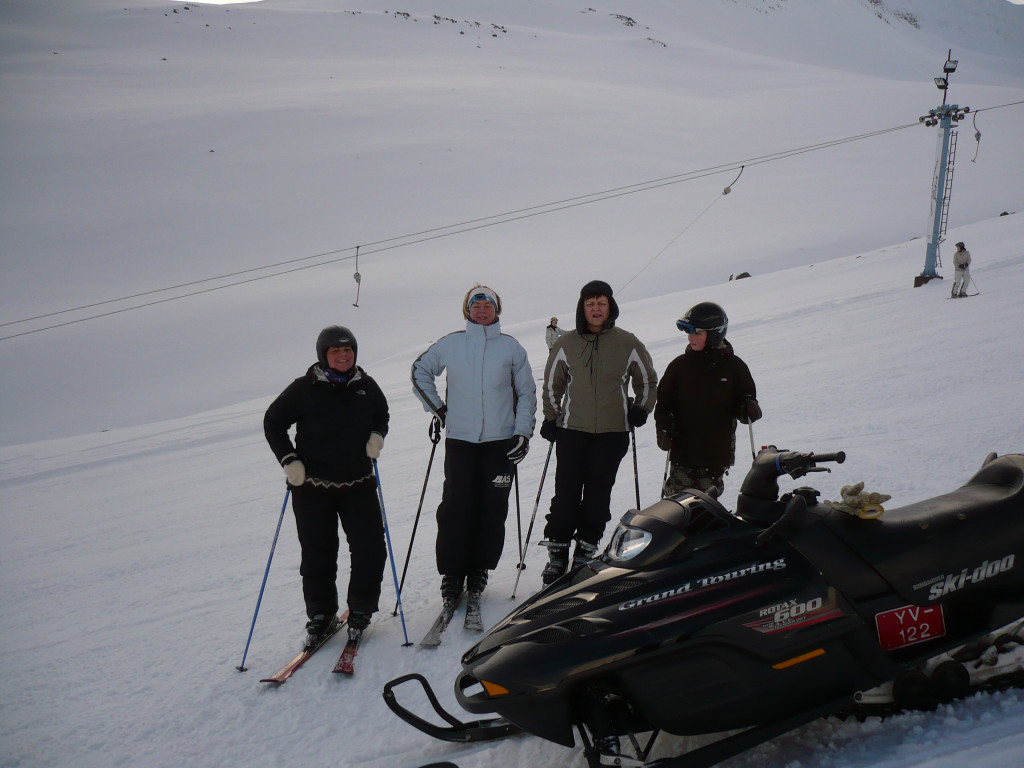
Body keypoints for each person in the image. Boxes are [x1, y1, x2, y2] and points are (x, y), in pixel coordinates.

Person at [411, 285, 537, 611]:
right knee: (456, 508)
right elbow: (419, 371)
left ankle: (479, 570)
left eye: (488, 305)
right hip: (461, 442)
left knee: (493, 509)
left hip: (500, 443)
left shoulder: (511, 349)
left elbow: (526, 393)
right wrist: (439, 409)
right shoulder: (451, 344)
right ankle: (453, 574)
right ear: (467, 310)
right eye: (476, 305)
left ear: (497, 310)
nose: (482, 310)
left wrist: (522, 432)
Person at [264, 325, 390, 648]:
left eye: (348, 350)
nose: (343, 355)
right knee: (318, 554)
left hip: (358, 483)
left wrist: (377, 436)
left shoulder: (366, 385)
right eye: (335, 351)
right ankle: (321, 615)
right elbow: (273, 422)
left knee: (369, 548)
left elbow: (381, 414)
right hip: (311, 488)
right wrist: (289, 460)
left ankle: (360, 609)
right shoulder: (305, 388)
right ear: (324, 355)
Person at [538, 279, 658, 584]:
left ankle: (586, 549)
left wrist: (641, 409)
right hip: (572, 431)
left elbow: (647, 381)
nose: (595, 309)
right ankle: (557, 550)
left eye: (601, 303)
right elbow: (553, 383)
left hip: (612, 432)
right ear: (582, 308)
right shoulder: (566, 343)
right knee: (565, 493)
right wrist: (551, 418)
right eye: (590, 303)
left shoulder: (627, 342)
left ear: (610, 307)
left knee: (597, 493)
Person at [654, 302, 760, 499]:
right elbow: (663, 404)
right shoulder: (679, 366)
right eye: (689, 333)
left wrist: (748, 409)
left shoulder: (734, 368)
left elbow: (745, 401)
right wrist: (663, 428)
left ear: (714, 334)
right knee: (676, 506)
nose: (690, 338)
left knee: (705, 506)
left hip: (714, 455)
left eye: (697, 333)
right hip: (683, 454)